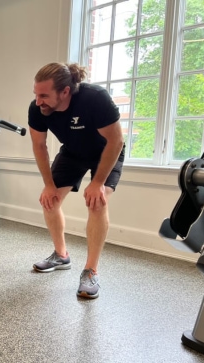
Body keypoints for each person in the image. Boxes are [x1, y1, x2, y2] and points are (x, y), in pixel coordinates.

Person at [28, 62, 124, 299]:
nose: (38, 101)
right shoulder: (37, 109)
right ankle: (61, 255)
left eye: (44, 95)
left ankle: (91, 271)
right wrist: (49, 185)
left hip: (106, 152)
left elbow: (116, 141)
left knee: (97, 202)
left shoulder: (95, 98)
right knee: (49, 200)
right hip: (72, 152)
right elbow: (39, 146)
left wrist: (98, 181)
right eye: (36, 94)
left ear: (65, 92)